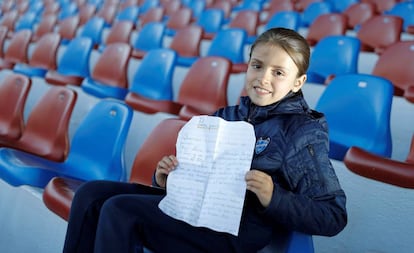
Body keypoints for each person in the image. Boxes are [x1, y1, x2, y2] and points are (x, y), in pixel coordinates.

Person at [63, 27, 347, 253]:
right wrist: (165, 178)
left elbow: (332, 215)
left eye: (278, 72)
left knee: (120, 211)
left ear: (298, 82)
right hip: (197, 207)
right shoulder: (227, 115)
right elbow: (194, 172)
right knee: (90, 195)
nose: (263, 78)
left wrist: (274, 196)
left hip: (235, 229)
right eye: (257, 66)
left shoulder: (302, 130)